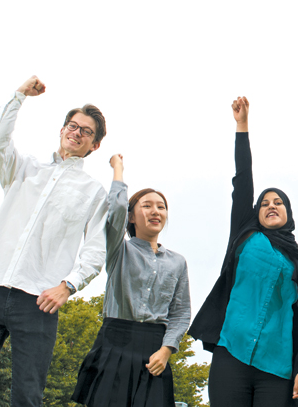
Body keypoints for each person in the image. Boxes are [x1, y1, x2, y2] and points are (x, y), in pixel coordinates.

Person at [0, 76, 109, 407]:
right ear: (62, 129)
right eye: (72, 125)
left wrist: (69, 285)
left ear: (94, 145)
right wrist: (19, 96)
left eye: (85, 131)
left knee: (27, 397)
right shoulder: (24, 168)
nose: (76, 132)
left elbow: (96, 248)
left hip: (38, 300)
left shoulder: (93, 192)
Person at [188, 97, 298, 405]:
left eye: (279, 203)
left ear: (289, 214)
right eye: (265, 203)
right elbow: (243, 178)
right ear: (255, 212)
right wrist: (241, 125)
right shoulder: (246, 234)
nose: (271, 206)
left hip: (277, 364)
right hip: (233, 350)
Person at [71, 153, 191, 407]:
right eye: (146, 205)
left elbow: (180, 313)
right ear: (132, 217)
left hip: (155, 349)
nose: (156, 211)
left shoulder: (177, 262)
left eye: (161, 206)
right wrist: (118, 169)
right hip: (116, 340)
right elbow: (114, 208)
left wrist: (166, 350)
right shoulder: (120, 249)